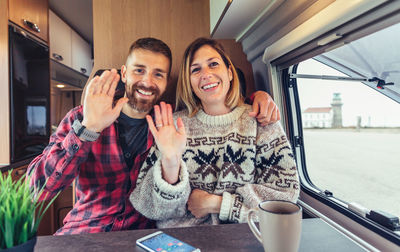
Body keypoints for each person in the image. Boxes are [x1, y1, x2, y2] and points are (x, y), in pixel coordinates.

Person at [26, 37, 281, 235]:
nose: (147, 82)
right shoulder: (82, 117)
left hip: (146, 238)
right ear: (124, 73)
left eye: (158, 74)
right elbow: (34, 191)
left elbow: (218, 110)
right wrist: (89, 129)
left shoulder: (172, 125)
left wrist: (257, 98)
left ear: (167, 81)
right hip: (84, 233)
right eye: (139, 70)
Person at [130, 38, 299, 227]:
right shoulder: (174, 125)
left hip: (244, 237)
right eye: (196, 69)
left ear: (229, 73)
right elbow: (150, 207)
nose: (206, 74)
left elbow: (284, 202)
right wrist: (171, 164)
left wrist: (218, 204)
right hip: (185, 240)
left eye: (213, 64)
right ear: (189, 82)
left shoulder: (262, 121)